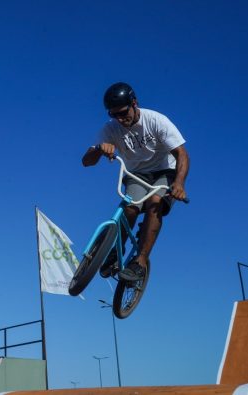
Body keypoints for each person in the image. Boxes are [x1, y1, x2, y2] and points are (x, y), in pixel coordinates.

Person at [82, 82, 190, 281]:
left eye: (123, 113)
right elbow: (86, 162)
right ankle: (115, 252)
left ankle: (140, 262)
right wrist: (99, 148)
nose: (120, 119)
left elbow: (182, 154)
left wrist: (179, 184)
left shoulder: (156, 121)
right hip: (137, 174)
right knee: (130, 207)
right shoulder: (111, 129)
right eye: (113, 115)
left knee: (155, 204)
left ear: (134, 103)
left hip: (165, 170)